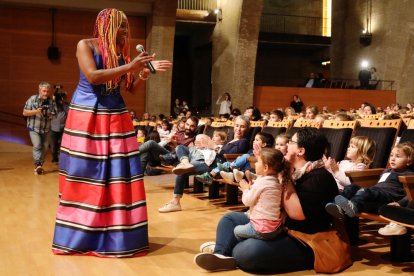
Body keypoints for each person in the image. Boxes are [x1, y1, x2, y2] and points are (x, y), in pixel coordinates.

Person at [52, 8, 172, 258]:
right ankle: (83, 233)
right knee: (87, 173)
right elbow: (93, 77)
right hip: (88, 116)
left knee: (119, 174)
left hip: (116, 115)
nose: (126, 31)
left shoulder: (120, 53)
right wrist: (130, 65)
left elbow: (131, 89)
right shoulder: (85, 45)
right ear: (106, 25)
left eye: (127, 26)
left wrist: (143, 73)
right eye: (121, 26)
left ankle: (118, 233)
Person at [194, 128, 338, 273]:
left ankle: (227, 246)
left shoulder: (319, 177)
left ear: (301, 151)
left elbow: (296, 214)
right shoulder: (295, 172)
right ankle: (221, 254)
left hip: (303, 240)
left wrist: (284, 174)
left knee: (248, 253)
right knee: (229, 219)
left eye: (291, 142)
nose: (286, 145)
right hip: (277, 227)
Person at [158, 115, 251, 213]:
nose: (238, 129)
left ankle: (175, 202)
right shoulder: (230, 141)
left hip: (214, 166)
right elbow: (220, 151)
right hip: (208, 159)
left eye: (242, 126)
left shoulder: (243, 142)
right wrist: (206, 146)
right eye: (237, 125)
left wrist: (214, 146)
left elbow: (228, 156)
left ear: (247, 128)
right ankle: (184, 162)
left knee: (182, 170)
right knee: (181, 148)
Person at [327, 142, 414, 219]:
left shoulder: (409, 175)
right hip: (375, 192)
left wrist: (400, 203)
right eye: (391, 155)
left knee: (364, 191)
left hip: (388, 197)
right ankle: (336, 206)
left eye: (398, 156)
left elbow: (411, 194)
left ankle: (353, 206)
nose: (393, 159)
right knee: (352, 187)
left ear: (409, 161)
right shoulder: (387, 170)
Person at [233, 148, 291, 241]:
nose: (255, 164)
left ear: (265, 168)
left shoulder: (262, 182)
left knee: (237, 230)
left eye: (257, 162)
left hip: (260, 228)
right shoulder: (277, 181)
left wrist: (245, 189)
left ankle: (244, 248)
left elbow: (247, 201)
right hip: (275, 228)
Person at [23, 81, 57, 175]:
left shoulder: (51, 101)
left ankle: (39, 165)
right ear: (39, 90)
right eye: (44, 91)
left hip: (47, 129)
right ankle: (38, 165)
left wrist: (50, 114)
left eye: (47, 91)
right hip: (34, 128)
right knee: (37, 145)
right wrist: (37, 111)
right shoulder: (32, 99)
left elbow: (55, 115)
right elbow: (25, 112)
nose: (46, 93)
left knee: (45, 147)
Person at [50, 90, 69, 163]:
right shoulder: (53, 104)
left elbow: (68, 111)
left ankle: (61, 158)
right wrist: (54, 98)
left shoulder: (66, 105)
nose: (63, 99)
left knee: (62, 144)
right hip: (54, 128)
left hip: (63, 128)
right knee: (54, 145)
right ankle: (55, 158)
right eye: (62, 97)